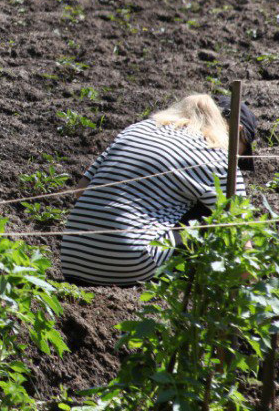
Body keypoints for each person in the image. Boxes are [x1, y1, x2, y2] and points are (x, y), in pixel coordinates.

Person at [59, 94, 257, 287]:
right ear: (237, 131)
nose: (238, 159)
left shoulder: (136, 129)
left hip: (71, 258)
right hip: (129, 266)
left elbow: (81, 191)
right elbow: (240, 236)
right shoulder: (219, 153)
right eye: (242, 150)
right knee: (217, 217)